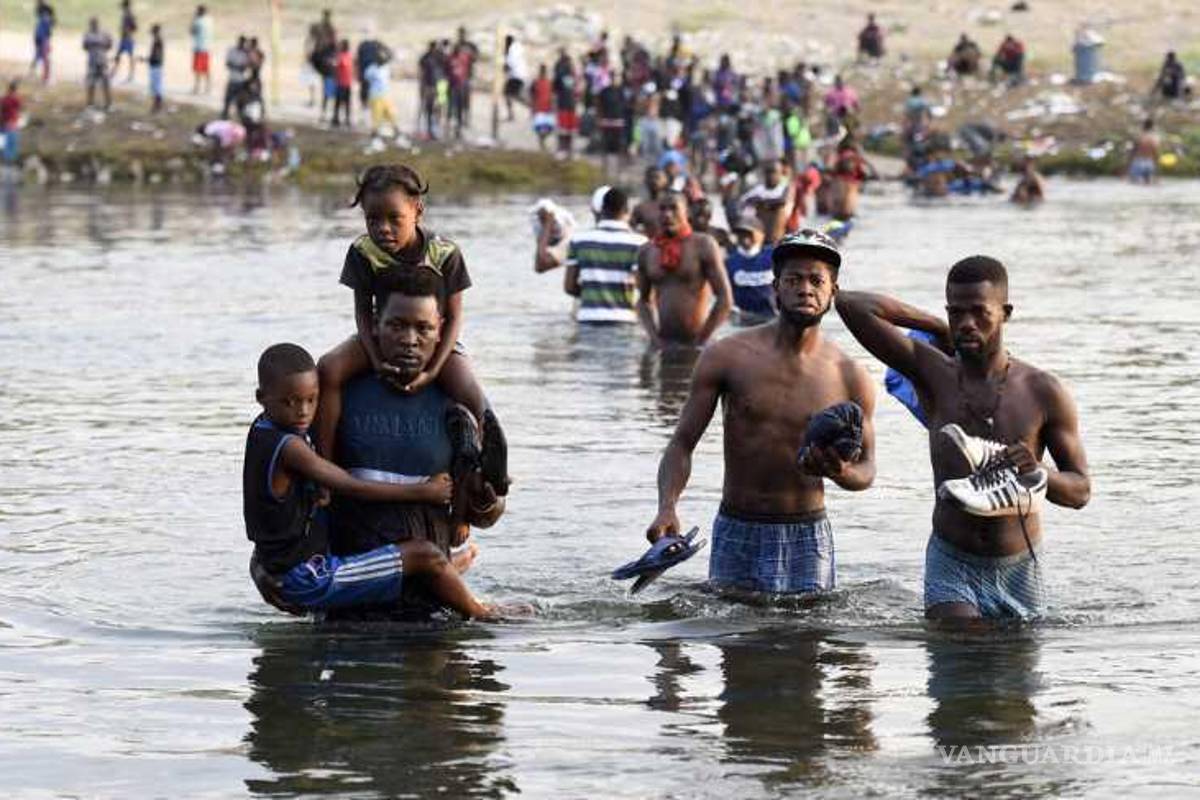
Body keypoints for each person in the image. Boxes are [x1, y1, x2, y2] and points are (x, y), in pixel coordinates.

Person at [836, 256, 1090, 620]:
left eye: (979, 312)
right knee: (960, 642)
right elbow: (851, 304)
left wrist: (1038, 472)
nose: (967, 324)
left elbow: (1080, 491)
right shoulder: (932, 372)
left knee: (1015, 670)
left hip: (1019, 565)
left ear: (1005, 312)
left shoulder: (1043, 391)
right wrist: (937, 325)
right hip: (952, 560)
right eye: (957, 313)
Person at [645, 229, 876, 595]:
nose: (805, 289)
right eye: (794, 279)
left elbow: (867, 470)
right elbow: (681, 444)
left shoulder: (851, 375)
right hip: (738, 526)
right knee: (734, 646)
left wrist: (840, 471)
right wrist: (667, 507)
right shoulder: (727, 355)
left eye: (817, 280)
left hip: (808, 533)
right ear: (775, 288)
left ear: (833, 292)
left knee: (806, 643)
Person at [243, 341, 500, 620]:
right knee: (426, 556)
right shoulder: (291, 446)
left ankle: (446, 573)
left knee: (417, 563)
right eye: (289, 402)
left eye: (311, 399)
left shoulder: (263, 428)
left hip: (296, 563)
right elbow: (348, 484)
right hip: (309, 575)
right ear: (261, 397)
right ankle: (484, 613)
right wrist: (423, 492)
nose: (303, 411)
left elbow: (268, 519)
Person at [312, 164, 507, 495]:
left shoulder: (444, 253)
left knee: (467, 387)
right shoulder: (362, 252)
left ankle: (492, 447)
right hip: (379, 333)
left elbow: (455, 317)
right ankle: (325, 468)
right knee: (329, 368)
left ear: (417, 211)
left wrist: (432, 372)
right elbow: (362, 311)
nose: (382, 229)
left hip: (437, 338)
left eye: (393, 219)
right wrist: (375, 359)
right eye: (372, 219)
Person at [636, 191, 733, 347]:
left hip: (699, 344)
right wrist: (654, 339)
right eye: (662, 209)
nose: (667, 214)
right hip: (664, 345)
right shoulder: (646, 251)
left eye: (674, 208)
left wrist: (702, 340)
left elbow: (725, 299)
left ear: (687, 212)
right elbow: (642, 302)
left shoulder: (704, 245)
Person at [561, 187, 647, 323]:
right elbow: (644, 288)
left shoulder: (579, 240)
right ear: (627, 211)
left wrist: (591, 294)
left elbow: (569, 286)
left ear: (601, 210)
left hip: (588, 319)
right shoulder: (640, 243)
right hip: (624, 320)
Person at [724, 214, 776, 325]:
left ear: (761, 235)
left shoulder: (774, 256)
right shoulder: (730, 262)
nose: (744, 237)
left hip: (771, 317)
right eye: (741, 233)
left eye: (749, 233)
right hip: (743, 318)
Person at [740, 158, 795, 244]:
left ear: (781, 173)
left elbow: (782, 201)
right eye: (768, 173)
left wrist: (761, 202)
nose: (771, 176)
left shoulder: (785, 188)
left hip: (779, 234)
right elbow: (744, 200)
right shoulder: (759, 189)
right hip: (760, 232)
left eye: (774, 172)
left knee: (778, 210)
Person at [552, 48, 579, 158]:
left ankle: (568, 149)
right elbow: (556, 88)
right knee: (564, 129)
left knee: (569, 129)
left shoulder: (571, 75)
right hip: (564, 104)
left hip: (569, 104)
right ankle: (563, 149)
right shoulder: (561, 74)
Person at [82, 18, 113, 111]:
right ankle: (91, 103)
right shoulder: (90, 35)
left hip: (101, 62)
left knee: (104, 83)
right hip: (95, 62)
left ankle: (107, 103)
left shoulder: (101, 34)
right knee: (92, 83)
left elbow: (109, 44)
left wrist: (96, 46)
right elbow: (85, 46)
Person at [364, 58, 398, 138]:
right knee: (376, 115)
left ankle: (396, 130)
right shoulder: (372, 69)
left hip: (385, 95)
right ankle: (374, 132)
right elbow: (367, 78)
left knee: (391, 113)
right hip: (376, 95)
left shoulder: (386, 68)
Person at [631, 166, 668, 237]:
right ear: (645, 181)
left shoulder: (673, 205)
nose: (654, 181)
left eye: (657, 177)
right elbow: (630, 230)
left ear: (665, 180)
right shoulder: (640, 208)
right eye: (650, 177)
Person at [221, 36, 249, 119]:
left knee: (240, 103)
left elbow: (244, 67)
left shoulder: (246, 53)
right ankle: (225, 117)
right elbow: (228, 64)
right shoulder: (232, 50)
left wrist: (235, 65)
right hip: (232, 79)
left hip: (241, 81)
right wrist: (238, 66)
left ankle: (240, 118)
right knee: (227, 101)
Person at [503, 34, 528, 122]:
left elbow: (509, 65)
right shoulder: (517, 48)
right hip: (519, 75)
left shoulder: (512, 50)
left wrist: (503, 68)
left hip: (515, 76)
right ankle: (532, 109)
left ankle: (511, 115)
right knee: (515, 95)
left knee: (509, 94)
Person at [111, 0, 138, 82]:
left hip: (128, 38)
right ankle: (113, 73)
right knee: (119, 55)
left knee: (129, 57)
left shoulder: (130, 15)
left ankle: (130, 75)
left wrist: (128, 30)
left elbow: (135, 27)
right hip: (123, 38)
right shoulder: (125, 14)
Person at [29, 1, 55, 84]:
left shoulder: (41, 18)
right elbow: (49, 29)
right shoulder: (46, 19)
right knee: (45, 59)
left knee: (38, 56)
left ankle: (32, 73)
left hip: (39, 37)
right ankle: (45, 78)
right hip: (43, 39)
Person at [530, 64, 555, 150]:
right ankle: (542, 143)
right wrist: (533, 108)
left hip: (547, 108)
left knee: (549, 128)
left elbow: (551, 95)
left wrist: (552, 106)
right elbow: (532, 95)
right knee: (539, 128)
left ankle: (542, 141)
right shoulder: (535, 82)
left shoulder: (549, 82)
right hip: (539, 108)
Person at [1128, 118, 1159, 185]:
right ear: (1152, 126)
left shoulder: (1139, 136)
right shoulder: (1154, 137)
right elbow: (1155, 153)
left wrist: (1127, 166)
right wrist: (1157, 172)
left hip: (1138, 161)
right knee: (1147, 184)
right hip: (1149, 162)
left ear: (1143, 126)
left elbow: (1133, 151)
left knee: (1134, 185)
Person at [189, 5, 211, 94]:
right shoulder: (209, 20)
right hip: (207, 47)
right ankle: (208, 87)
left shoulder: (198, 21)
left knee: (198, 69)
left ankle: (197, 88)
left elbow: (192, 31)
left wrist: (193, 19)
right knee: (206, 69)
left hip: (199, 48)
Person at [331, 39, 353, 128]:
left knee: (344, 102)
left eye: (340, 45)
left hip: (345, 83)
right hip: (342, 82)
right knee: (340, 102)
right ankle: (337, 118)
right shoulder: (345, 56)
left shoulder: (343, 56)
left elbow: (335, 64)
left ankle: (344, 119)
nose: (339, 46)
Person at [1, 81, 22, 167]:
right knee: (11, 145)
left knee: (3, 144)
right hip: (11, 125)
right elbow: (18, 108)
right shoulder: (16, 99)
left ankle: (4, 161)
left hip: (2, 124)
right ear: (15, 90)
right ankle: (9, 162)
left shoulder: (3, 99)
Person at [143, 23, 163, 113]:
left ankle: (157, 106)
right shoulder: (157, 40)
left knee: (156, 87)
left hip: (155, 66)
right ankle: (156, 106)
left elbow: (155, 55)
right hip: (156, 65)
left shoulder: (157, 41)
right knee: (155, 86)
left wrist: (146, 59)